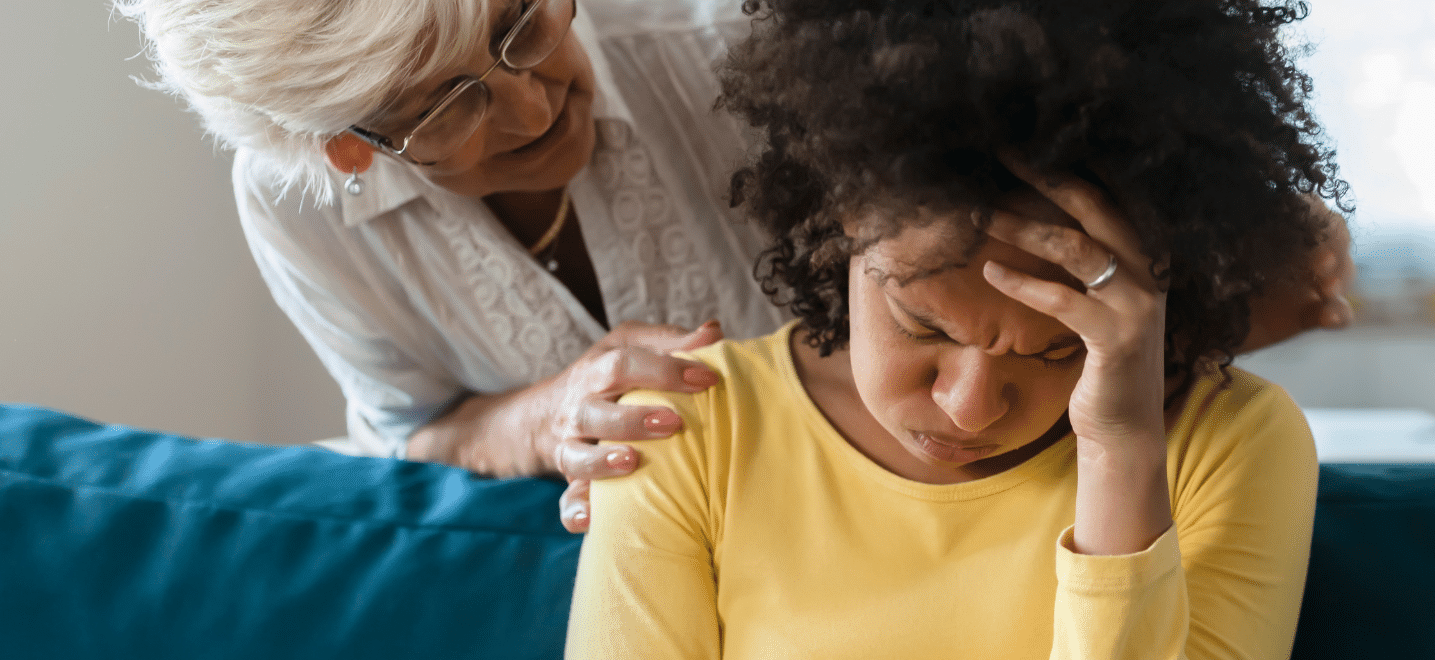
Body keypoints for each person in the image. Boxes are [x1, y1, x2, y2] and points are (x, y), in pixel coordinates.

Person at [115, 0, 1350, 533]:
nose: (537, 86)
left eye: (518, 20)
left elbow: (1279, 258)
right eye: (448, 101)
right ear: (347, 146)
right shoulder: (298, 208)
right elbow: (415, 434)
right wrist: (546, 417)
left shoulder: (731, 45)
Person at [565, 0, 1348, 657]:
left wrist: (1120, 452)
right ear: (843, 216)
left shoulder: (1233, 445)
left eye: (1056, 348)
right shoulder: (684, 423)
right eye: (921, 324)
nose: (969, 408)